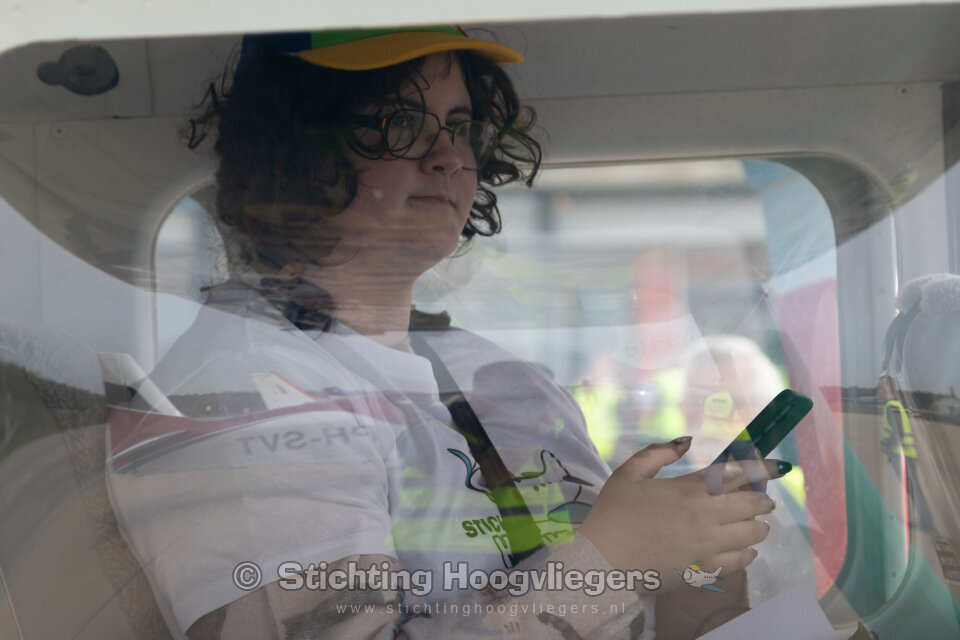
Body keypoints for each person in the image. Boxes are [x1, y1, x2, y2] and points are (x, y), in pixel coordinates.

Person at [107, 26, 787, 640]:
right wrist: (613, 562)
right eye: (398, 124)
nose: (446, 156)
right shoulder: (240, 394)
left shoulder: (503, 381)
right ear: (289, 150)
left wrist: (697, 571)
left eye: (461, 127)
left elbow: (628, 601)